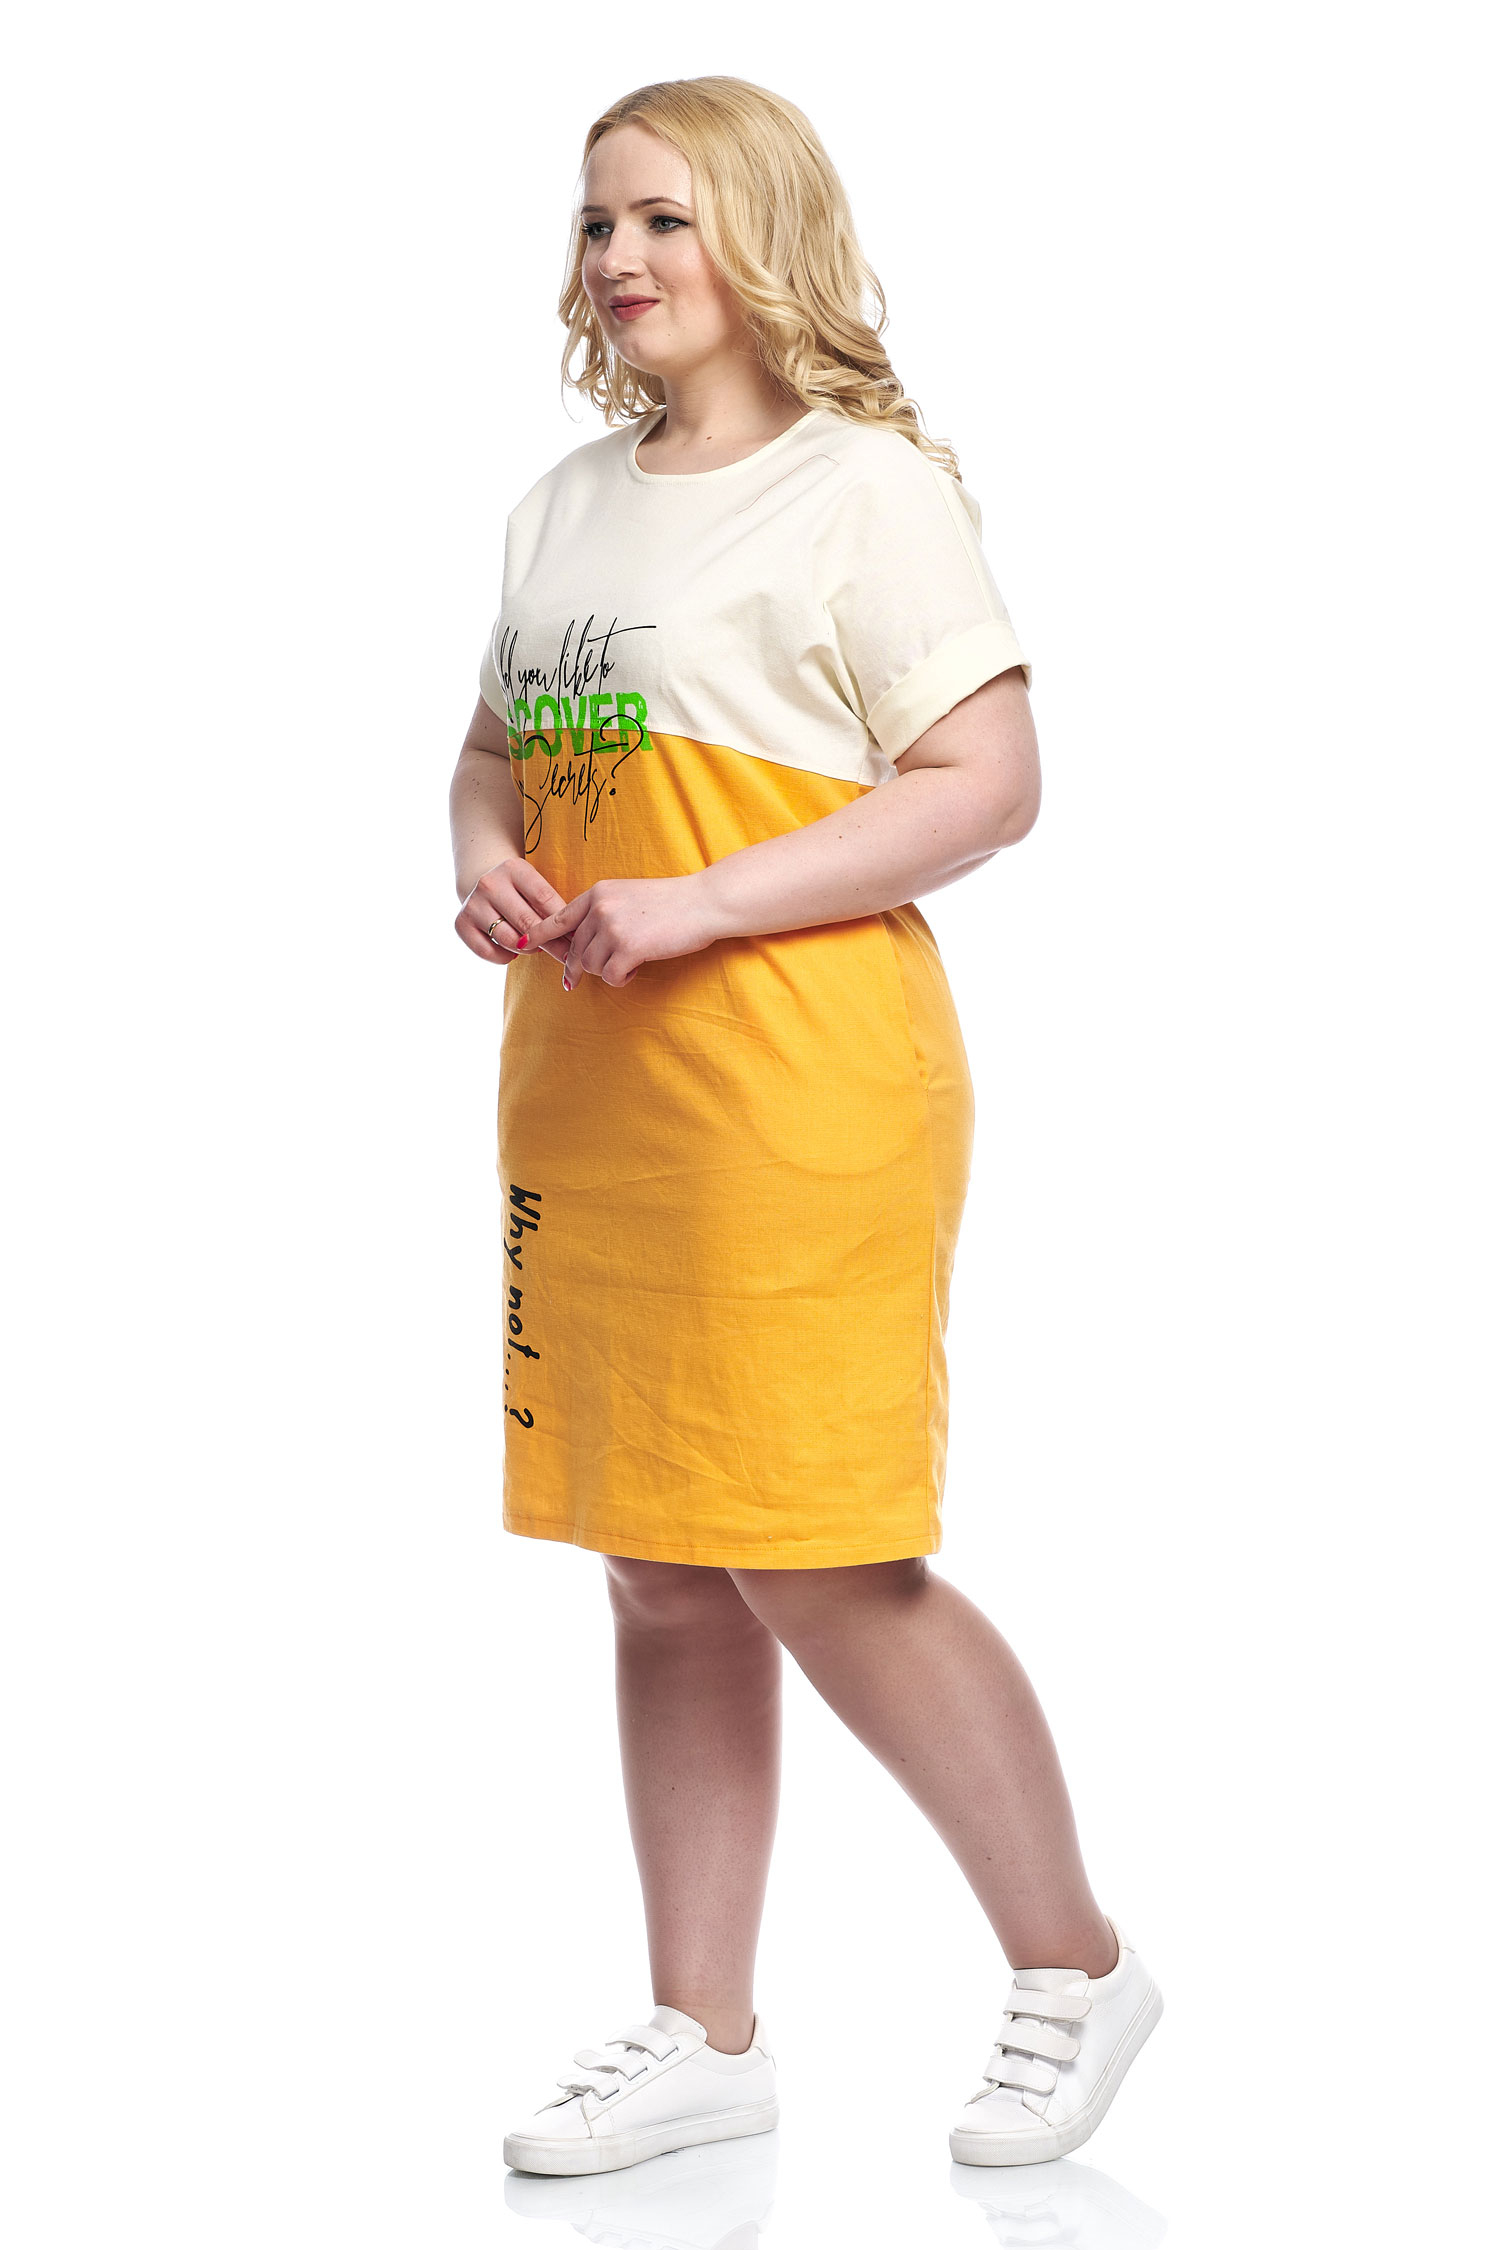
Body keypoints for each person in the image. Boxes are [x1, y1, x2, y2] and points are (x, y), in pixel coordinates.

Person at [449, 75, 1161, 2179]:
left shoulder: (865, 490)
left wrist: (700, 900)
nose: (620, 258)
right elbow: (489, 746)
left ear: (761, 237)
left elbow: (989, 780)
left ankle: (1077, 1964)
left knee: (825, 1555)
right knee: (661, 1569)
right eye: (597, 223)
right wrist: (487, 850)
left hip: (796, 1087)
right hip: (590, 1093)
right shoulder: (562, 506)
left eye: (664, 217)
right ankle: (707, 2030)